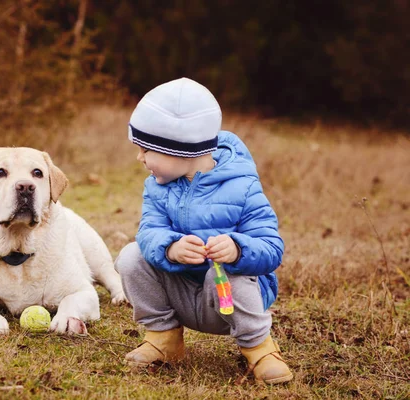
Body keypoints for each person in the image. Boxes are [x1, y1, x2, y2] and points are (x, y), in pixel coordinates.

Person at [115, 77, 293, 384]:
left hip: (230, 299)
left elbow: (272, 247)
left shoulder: (243, 186)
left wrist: (237, 249)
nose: (139, 158)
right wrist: (170, 247)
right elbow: (149, 232)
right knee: (131, 255)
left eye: (146, 150)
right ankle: (163, 338)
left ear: (177, 149)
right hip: (181, 292)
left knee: (224, 272)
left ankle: (259, 348)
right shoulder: (157, 188)